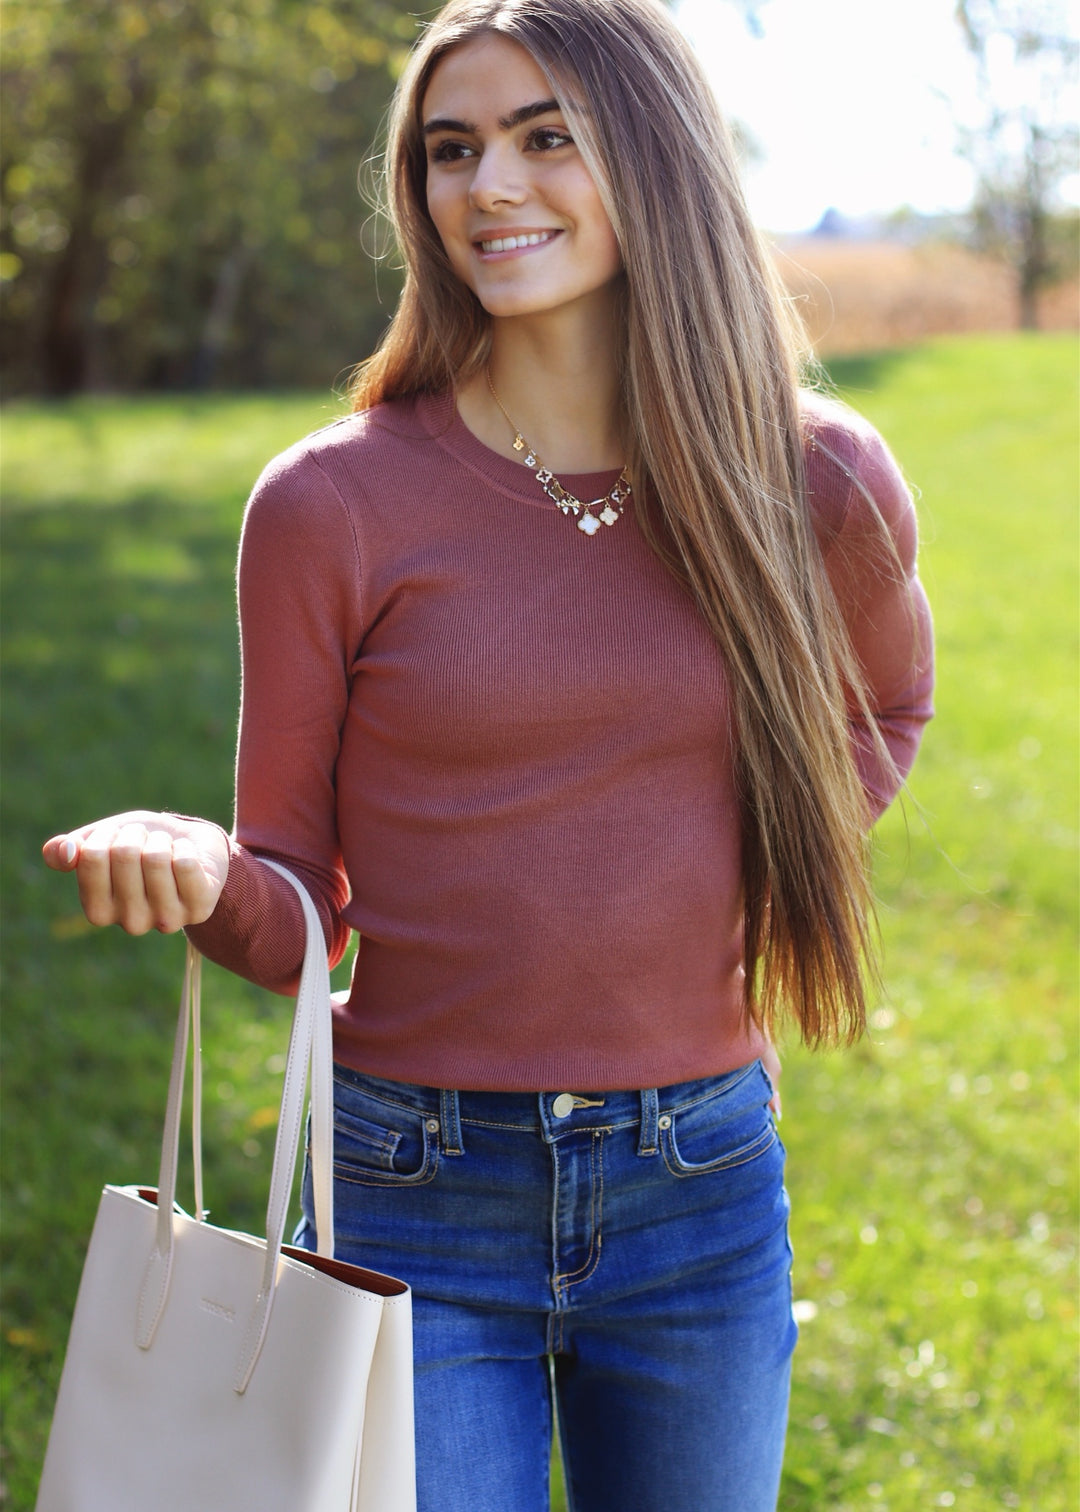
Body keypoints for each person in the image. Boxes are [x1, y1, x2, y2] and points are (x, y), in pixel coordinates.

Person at [43, 1, 934, 1507]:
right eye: (452, 150)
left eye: (545, 137)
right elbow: (293, 899)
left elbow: (884, 713)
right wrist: (203, 873)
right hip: (412, 1192)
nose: (489, 187)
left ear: (654, 159)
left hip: (702, 1179)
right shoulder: (332, 505)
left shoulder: (814, 474)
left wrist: (720, 864)